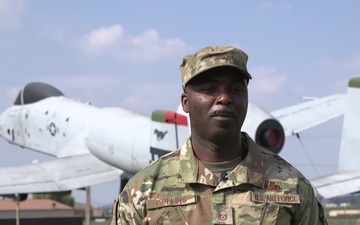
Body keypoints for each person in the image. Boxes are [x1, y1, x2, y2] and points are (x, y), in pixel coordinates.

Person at [110, 45, 328, 225]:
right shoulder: (144, 192)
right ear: (186, 102)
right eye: (209, 89)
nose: (224, 98)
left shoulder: (292, 186)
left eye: (236, 89)